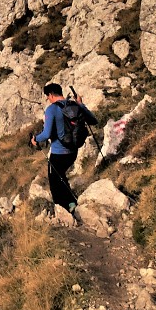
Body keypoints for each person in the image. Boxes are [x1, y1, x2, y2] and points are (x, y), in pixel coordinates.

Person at [28, 82, 98, 226]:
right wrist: (81, 104)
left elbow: (46, 133)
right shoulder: (74, 105)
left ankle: (64, 212)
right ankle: (72, 202)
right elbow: (93, 121)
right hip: (73, 151)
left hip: (59, 152)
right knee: (61, 176)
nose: (48, 99)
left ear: (51, 95)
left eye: (48, 97)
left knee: (55, 181)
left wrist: (35, 139)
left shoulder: (51, 109)